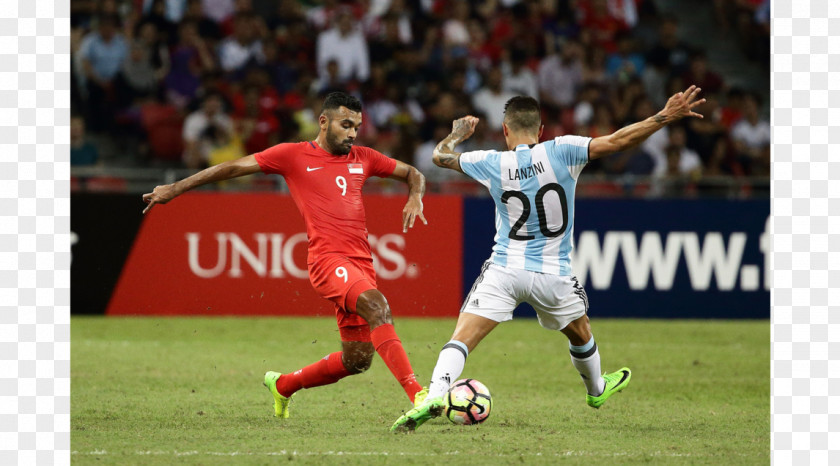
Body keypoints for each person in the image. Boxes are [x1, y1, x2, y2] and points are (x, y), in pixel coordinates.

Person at [391, 85, 706, 432]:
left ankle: (434, 393)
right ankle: (596, 389)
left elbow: (439, 156)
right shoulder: (564, 150)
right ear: (541, 131)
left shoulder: (491, 161)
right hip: (554, 274)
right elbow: (618, 141)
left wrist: (456, 135)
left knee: (462, 338)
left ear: (505, 130)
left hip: (505, 268)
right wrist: (665, 116)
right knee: (581, 333)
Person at [142, 92, 430, 419]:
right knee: (378, 306)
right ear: (323, 122)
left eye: (357, 126)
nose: (352, 133)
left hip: (361, 264)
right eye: (346, 125)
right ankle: (418, 396)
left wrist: (415, 196)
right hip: (328, 262)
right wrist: (174, 188)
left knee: (358, 361)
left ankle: (283, 385)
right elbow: (234, 166)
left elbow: (412, 173)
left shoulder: (363, 157)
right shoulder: (293, 155)